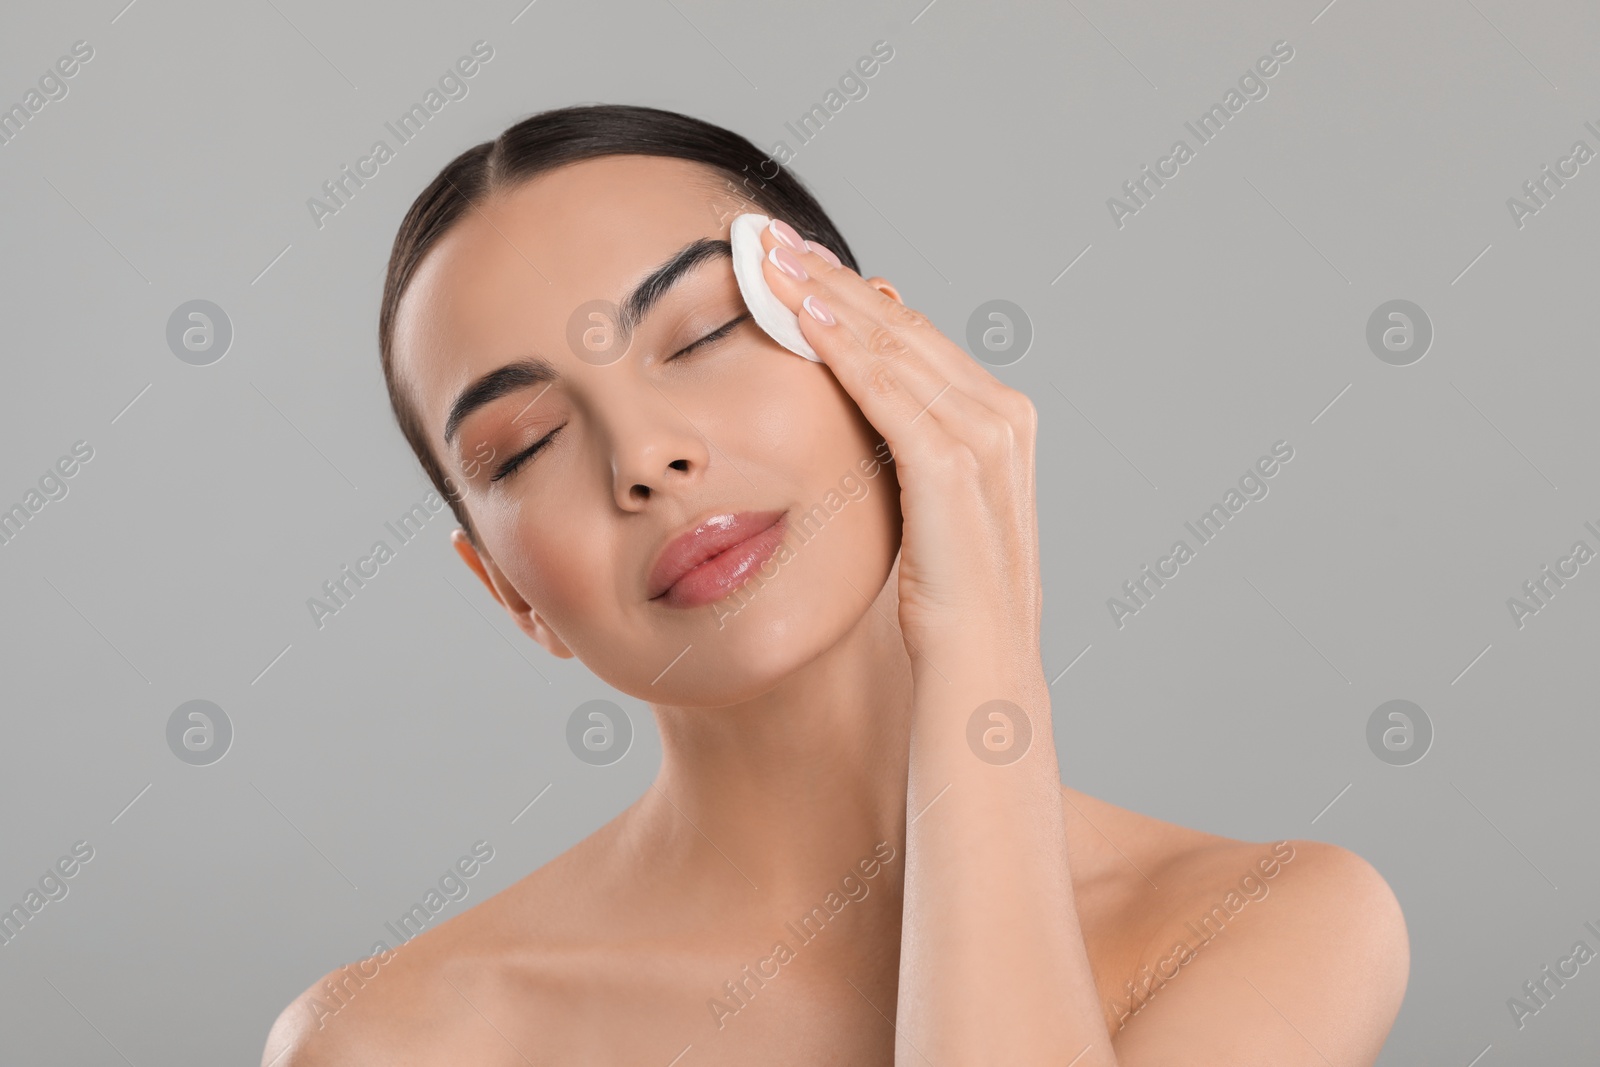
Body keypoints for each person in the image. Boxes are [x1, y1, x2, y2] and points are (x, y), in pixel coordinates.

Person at [262, 103, 1408, 1065]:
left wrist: (985, 648)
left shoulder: (1266, 921)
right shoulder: (395, 1037)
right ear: (506, 593)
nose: (645, 456)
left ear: (880, 348)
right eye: (523, 445)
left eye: (703, 331)